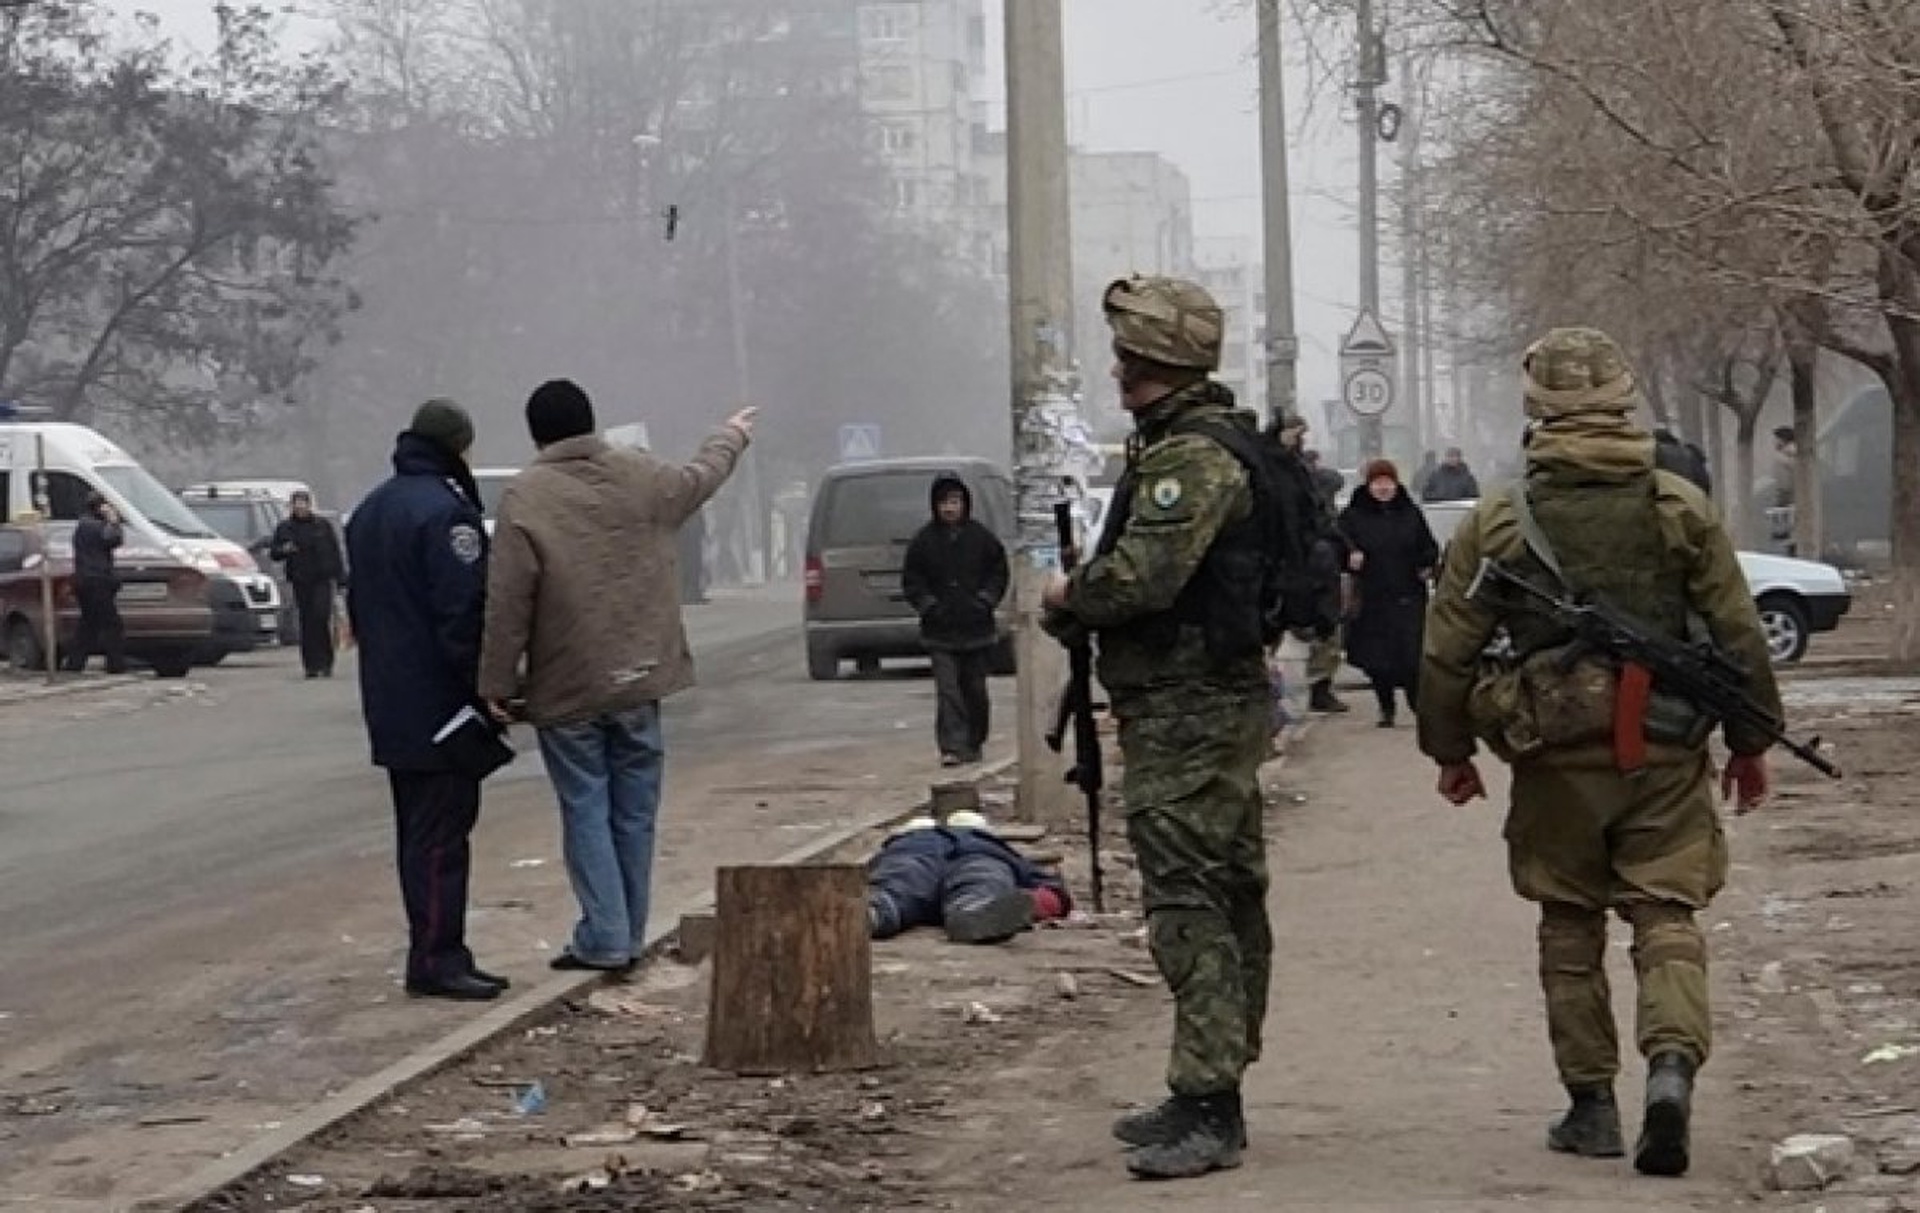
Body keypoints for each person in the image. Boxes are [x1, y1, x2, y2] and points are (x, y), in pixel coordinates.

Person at [1417, 328, 1783, 1179]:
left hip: (1553, 758)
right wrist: (1751, 741)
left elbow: (1446, 649)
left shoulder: (1499, 518)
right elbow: (1738, 632)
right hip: (1665, 748)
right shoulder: (1677, 506)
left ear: (1536, 411)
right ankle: (1671, 1067)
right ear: (1625, 401)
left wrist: (1451, 749)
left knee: (1568, 920)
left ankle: (1590, 1108)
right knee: (1667, 915)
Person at [1041, 275, 1270, 1181]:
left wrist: (1070, 597)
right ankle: (1213, 1085)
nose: (1115, 366)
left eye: (1126, 352)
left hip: (1189, 709)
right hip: (1205, 703)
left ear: (1154, 360)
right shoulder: (1192, 444)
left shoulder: (1192, 458)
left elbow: (1142, 577)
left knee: (1189, 899)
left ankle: (1209, 1101)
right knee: (1229, 891)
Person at [480, 380, 753, 973]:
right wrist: (729, 435)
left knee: (585, 804)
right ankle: (627, 930)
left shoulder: (526, 496)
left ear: (536, 434)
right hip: (640, 678)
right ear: (591, 423)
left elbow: (508, 602)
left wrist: (497, 682)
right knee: (635, 810)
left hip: (568, 684)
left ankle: (605, 935)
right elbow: (701, 476)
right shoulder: (642, 475)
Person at [347, 399, 505, 1003]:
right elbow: (462, 614)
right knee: (442, 837)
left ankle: (431, 949)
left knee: (416, 835)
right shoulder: (445, 516)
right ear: (458, 446)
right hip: (441, 705)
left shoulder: (370, 510)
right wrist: (487, 690)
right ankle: (439, 957)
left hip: (390, 697)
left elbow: (361, 607)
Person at [901, 474, 1010, 766]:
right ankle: (952, 745)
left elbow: (999, 572)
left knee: (974, 689)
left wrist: (986, 600)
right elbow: (912, 581)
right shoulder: (924, 542)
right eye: (943, 503)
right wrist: (929, 605)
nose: (949, 509)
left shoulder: (981, 538)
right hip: (940, 632)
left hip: (976, 630)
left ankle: (974, 741)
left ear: (965, 504)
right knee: (948, 691)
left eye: (955, 502)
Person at [1339, 459, 1439, 728]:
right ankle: (1386, 707)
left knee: (1411, 657)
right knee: (1378, 660)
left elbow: (1428, 546)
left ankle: (1419, 706)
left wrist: (1426, 564)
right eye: (1378, 482)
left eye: (1388, 482)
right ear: (1369, 485)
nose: (1383, 488)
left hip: (1408, 596)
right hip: (1372, 598)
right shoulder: (1353, 515)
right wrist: (1350, 557)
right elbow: (1336, 546)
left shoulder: (1410, 512)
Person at [867, 811, 1071, 943]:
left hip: (916, 855)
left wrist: (1027, 905)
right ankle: (974, 911)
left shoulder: (901, 845)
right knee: (984, 881)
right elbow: (1049, 885)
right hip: (978, 857)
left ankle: (874, 913)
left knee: (898, 883)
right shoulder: (994, 845)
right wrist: (1037, 903)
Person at [1276, 423, 1348, 714]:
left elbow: (1332, 486)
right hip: (1286, 564)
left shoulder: (1312, 479)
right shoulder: (1277, 475)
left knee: (1325, 630)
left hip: (1318, 563)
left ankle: (1321, 689)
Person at [270, 490, 346, 678]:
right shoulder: (285, 528)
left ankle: (326, 662)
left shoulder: (322, 526)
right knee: (307, 622)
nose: (300, 507)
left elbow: (334, 551)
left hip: (322, 578)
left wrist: (341, 578)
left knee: (321, 617)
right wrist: (284, 549)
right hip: (301, 579)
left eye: (303, 503)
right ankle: (311, 665)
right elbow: (275, 553)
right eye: (297, 503)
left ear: (309, 504)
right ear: (292, 506)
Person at [64, 492, 127, 674]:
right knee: (112, 624)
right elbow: (112, 539)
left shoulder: (83, 525)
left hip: (85, 580)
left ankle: (74, 664)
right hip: (97, 581)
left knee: (88, 623)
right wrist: (114, 521)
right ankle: (116, 664)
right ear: (100, 507)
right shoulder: (93, 526)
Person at [1652, 428, 1712, 496]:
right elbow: (1703, 480)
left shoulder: (1654, 454)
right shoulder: (1690, 452)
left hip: (1666, 500)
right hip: (1690, 498)